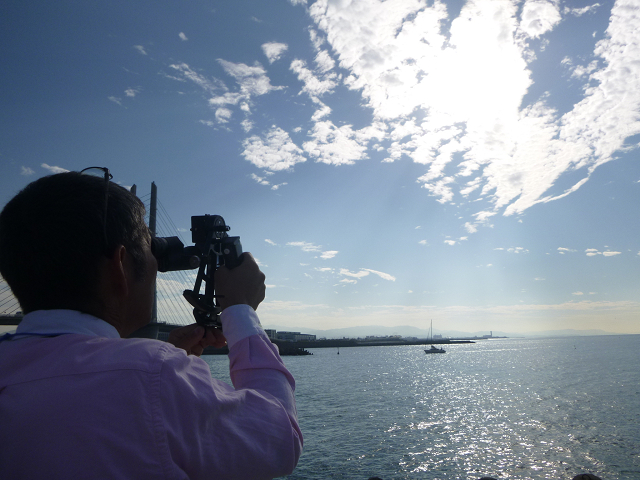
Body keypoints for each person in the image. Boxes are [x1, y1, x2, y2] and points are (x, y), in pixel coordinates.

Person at [0, 171, 302, 479]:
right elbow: (281, 438)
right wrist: (240, 310)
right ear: (120, 266)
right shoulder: (153, 377)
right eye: (149, 248)